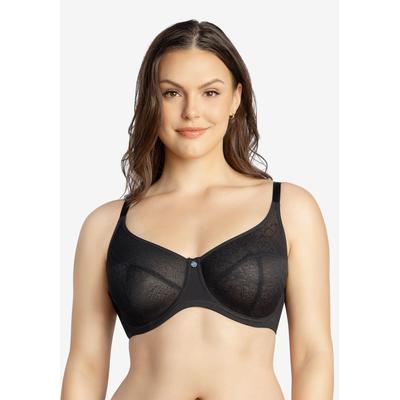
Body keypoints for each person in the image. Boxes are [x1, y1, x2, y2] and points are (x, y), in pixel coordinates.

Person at [61, 19, 334, 400]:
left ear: (236, 98)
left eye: (210, 92)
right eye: (172, 93)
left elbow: (312, 355)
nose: (191, 111)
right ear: (149, 102)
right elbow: (85, 364)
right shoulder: (105, 226)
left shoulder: (290, 209)